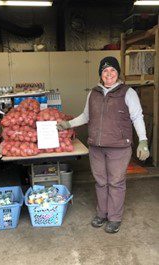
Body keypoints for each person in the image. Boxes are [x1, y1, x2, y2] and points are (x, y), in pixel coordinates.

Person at [57, 56, 150, 233]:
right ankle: (102, 213)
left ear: (118, 73)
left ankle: (114, 218)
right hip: (96, 147)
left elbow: (137, 117)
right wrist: (67, 124)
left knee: (116, 182)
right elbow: (86, 116)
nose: (109, 74)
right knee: (100, 182)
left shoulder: (127, 92)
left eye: (112, 70)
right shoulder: (93, 93)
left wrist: (143, 141)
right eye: (105, 71)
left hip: (119, 147)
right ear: (100, 74)